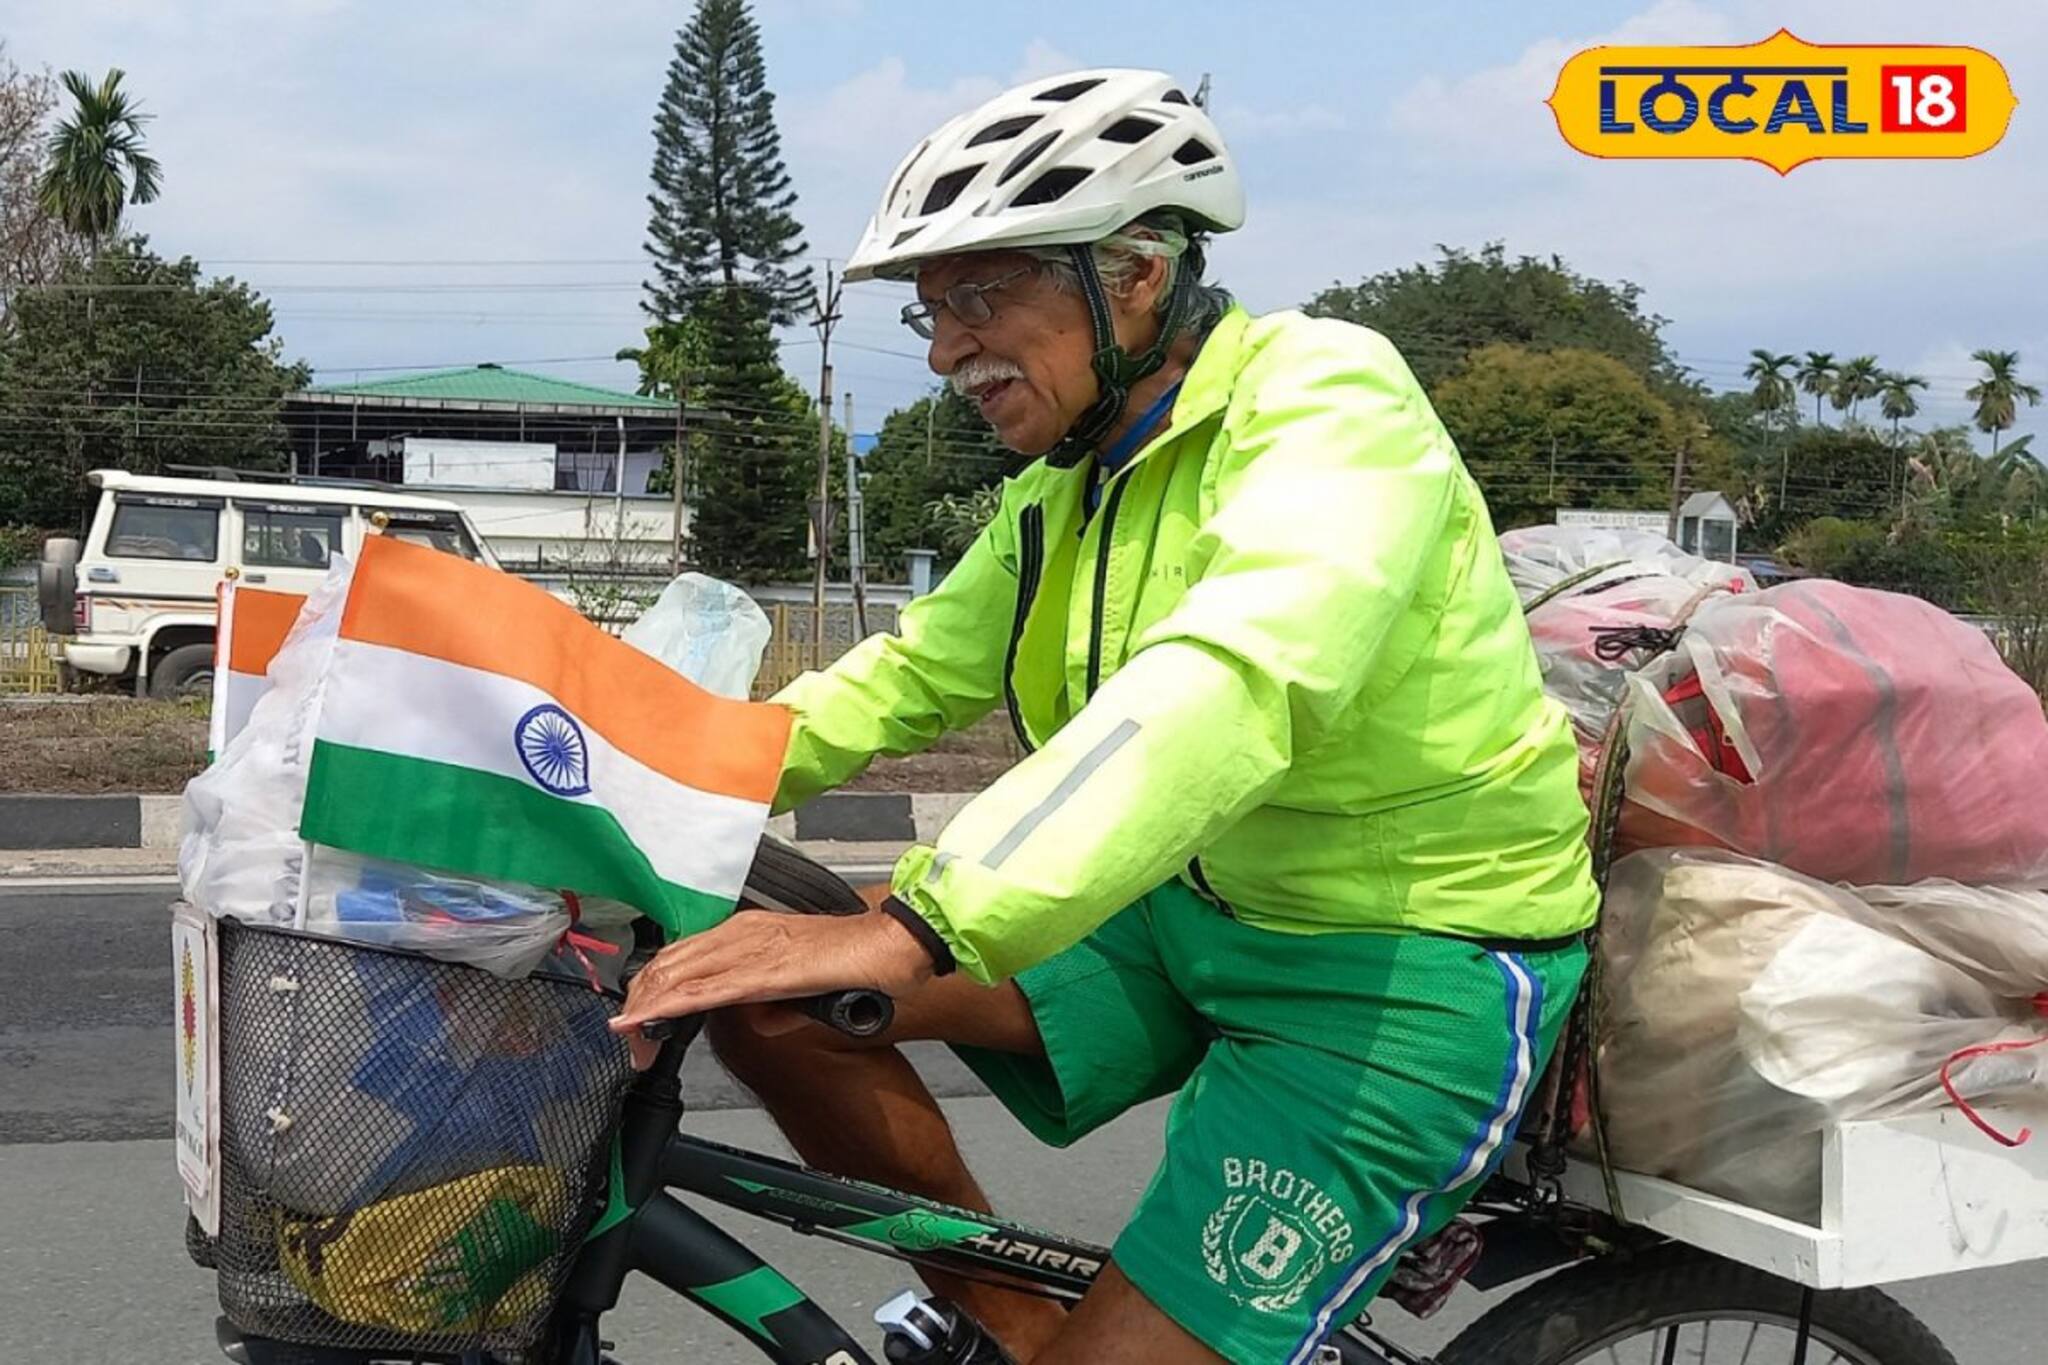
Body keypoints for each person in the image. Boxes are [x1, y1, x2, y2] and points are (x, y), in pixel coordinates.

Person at [612, 68, 1600, 1364]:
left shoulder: (1328, 407)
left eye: (981, 296)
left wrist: (917, 926)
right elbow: (894, 680)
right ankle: (1010, 1323)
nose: (947, 348)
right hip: (1184, 919)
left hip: (1401, 969)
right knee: (768, 992)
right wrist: (604, 770)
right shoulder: (1068, 495)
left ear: (1134, 274)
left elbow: (1236, 680)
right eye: (930, 312)